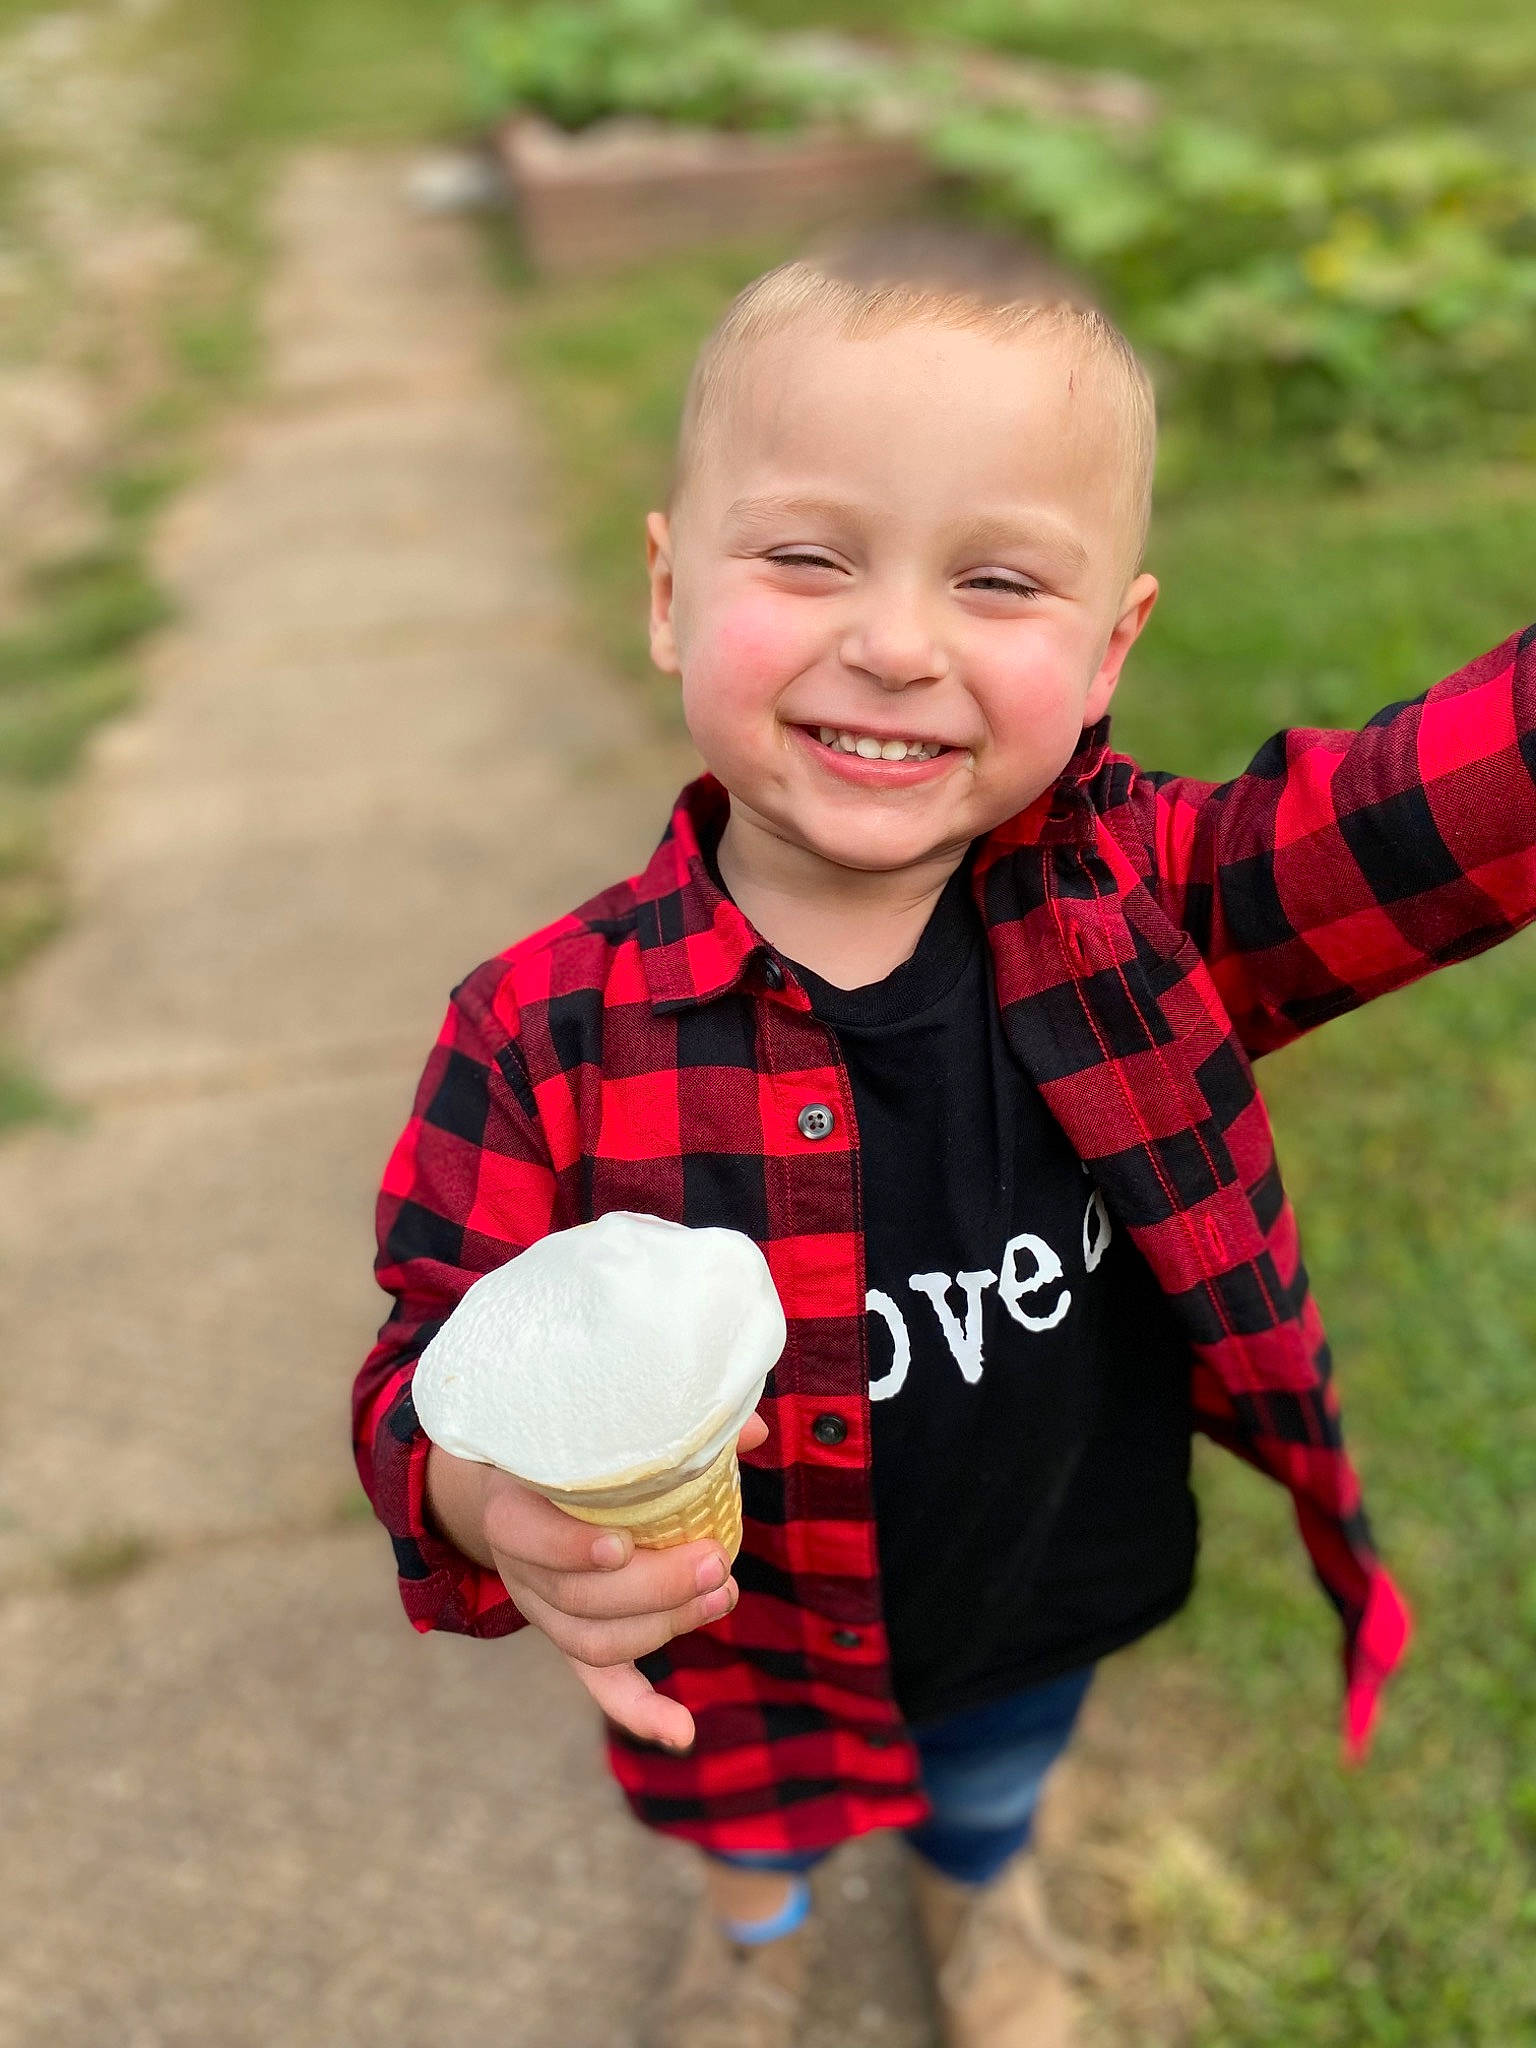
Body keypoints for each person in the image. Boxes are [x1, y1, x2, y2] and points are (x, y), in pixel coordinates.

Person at [352, 231, 1535, 2048]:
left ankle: (992, 1894)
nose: (893, 643)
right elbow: (424, 1355)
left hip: (1041, 1569)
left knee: (995, 1777)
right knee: (735, 1826)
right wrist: (471, 1496)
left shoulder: (1155, 911)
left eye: (998, 583)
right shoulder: (542, 1030)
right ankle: (754, 1940)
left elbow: (1438, 818)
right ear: (669, 592)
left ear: (1109, 646)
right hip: (728, 1644)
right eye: (809, 555)